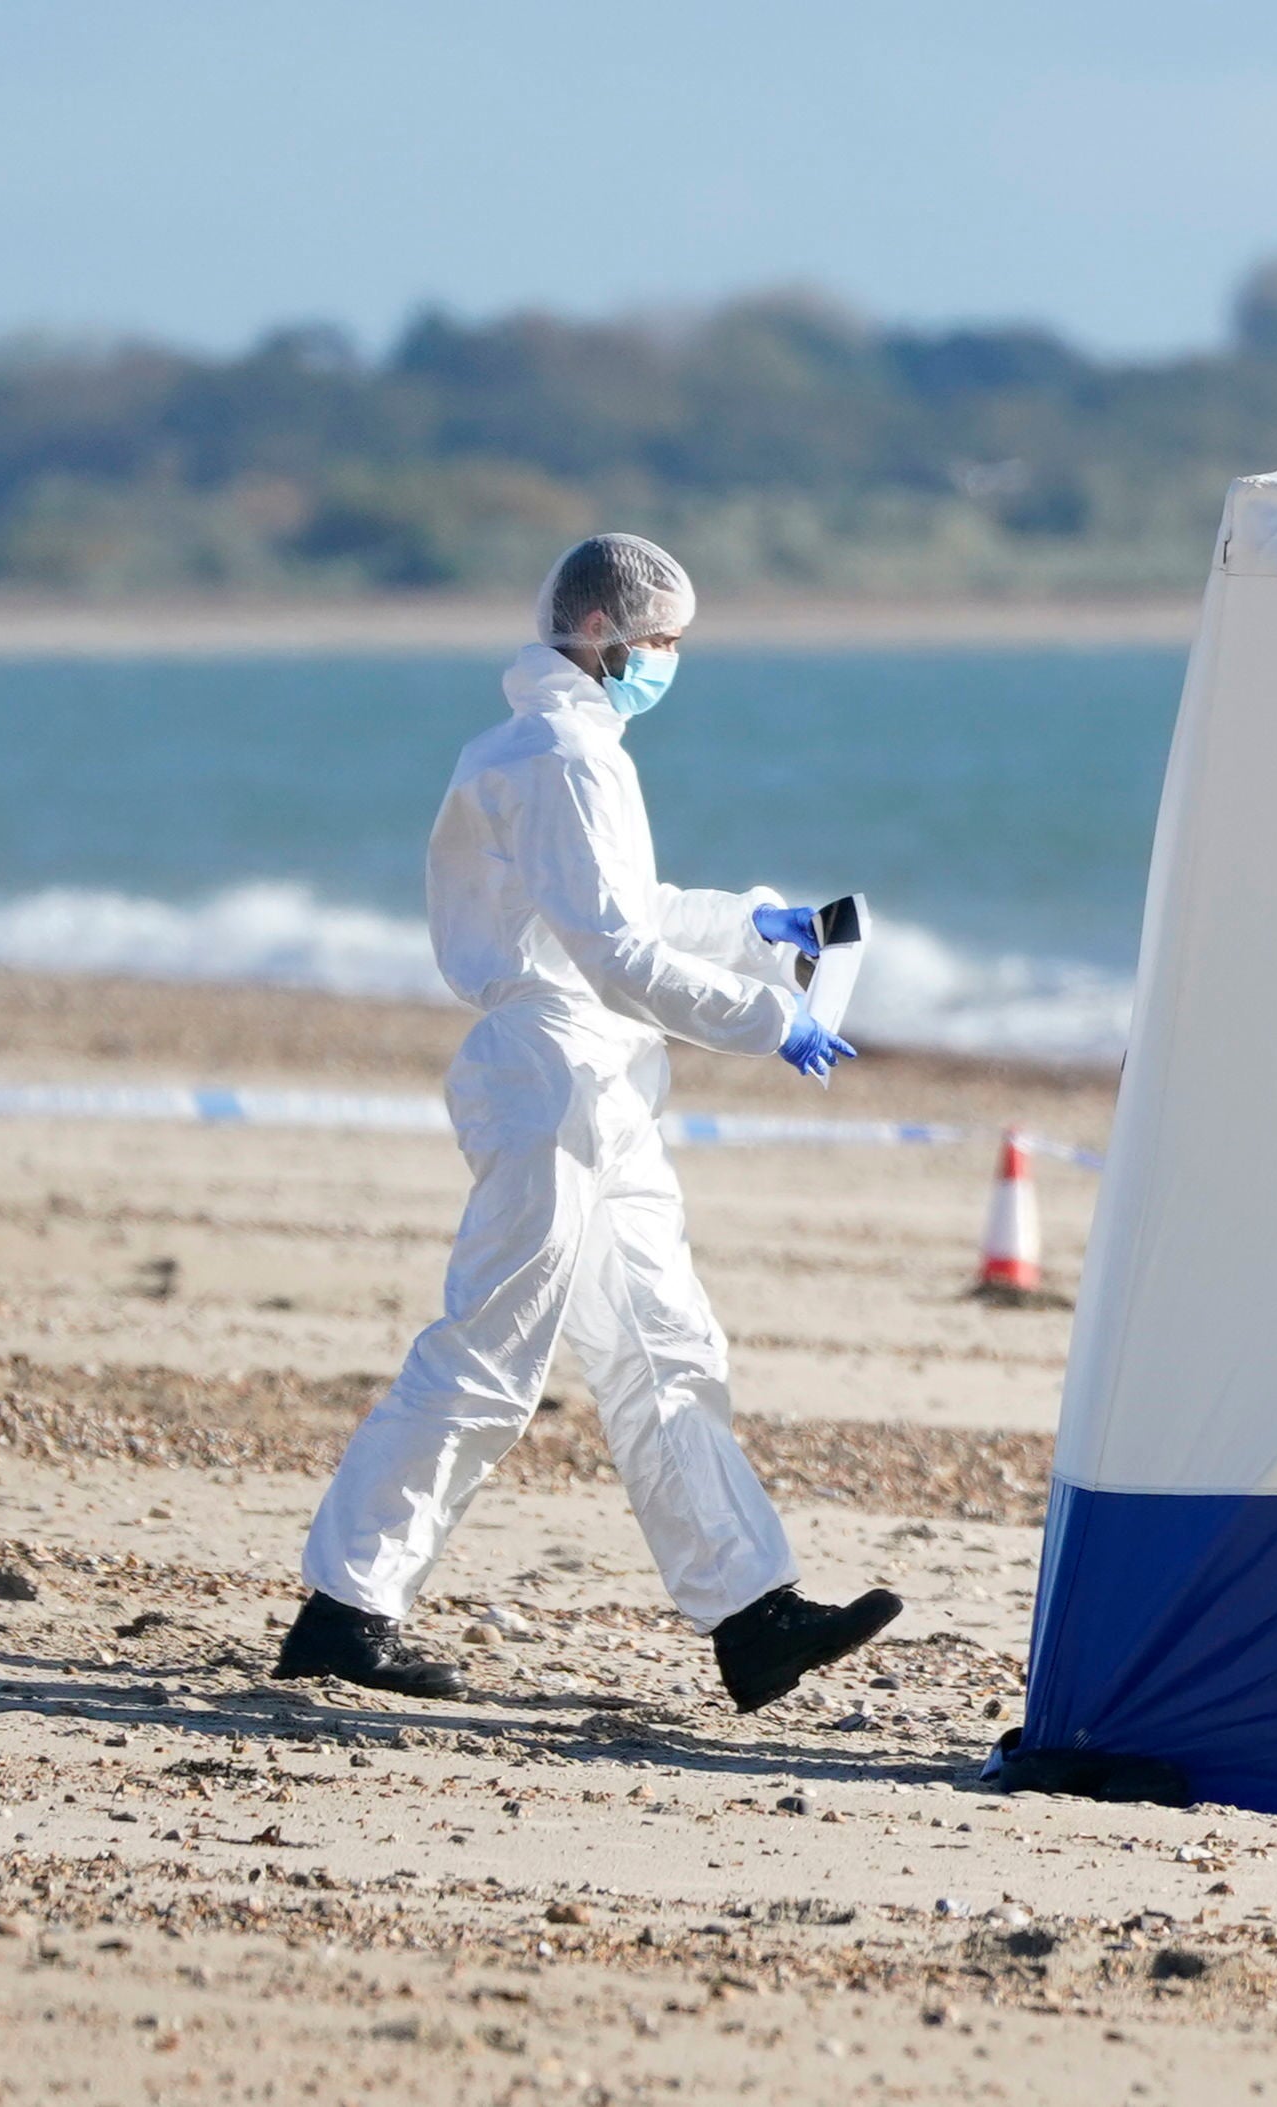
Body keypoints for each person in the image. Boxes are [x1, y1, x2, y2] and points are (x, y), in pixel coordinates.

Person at [276, 533, 902, 1709]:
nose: (672, 659)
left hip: (603, 1078)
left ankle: (751, 1615)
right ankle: (344, 1612)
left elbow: (624, 905)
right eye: (663, 640)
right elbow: (611, 952)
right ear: (605, 632)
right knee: (490, 1356)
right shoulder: (560, 753)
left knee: (668, 1347)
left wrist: (759, 921)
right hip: (550, 1072)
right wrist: (772, 1021)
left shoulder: (567, 747)